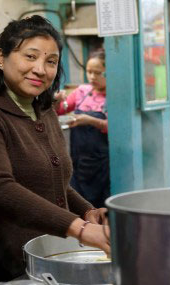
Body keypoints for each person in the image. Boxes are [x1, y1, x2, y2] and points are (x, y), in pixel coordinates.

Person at [0, 15, 110, 285]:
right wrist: (80, 229)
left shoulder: (42, 110)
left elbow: (52, 182)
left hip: (43, 264)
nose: (40, 69)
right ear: (1, 58)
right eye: (30, 56)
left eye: (51, 61)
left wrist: (87, 212)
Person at [55, 49, 109, 208]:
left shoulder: (114, 95)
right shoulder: (82, 91)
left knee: (101, 205)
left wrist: (89, 120)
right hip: (78, 161)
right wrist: (57, 100)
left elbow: (114, 128)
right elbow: (59, 111)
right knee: (80, 204)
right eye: (89, 72)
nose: (92, 77)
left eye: (98, 73)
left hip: (101, 163)